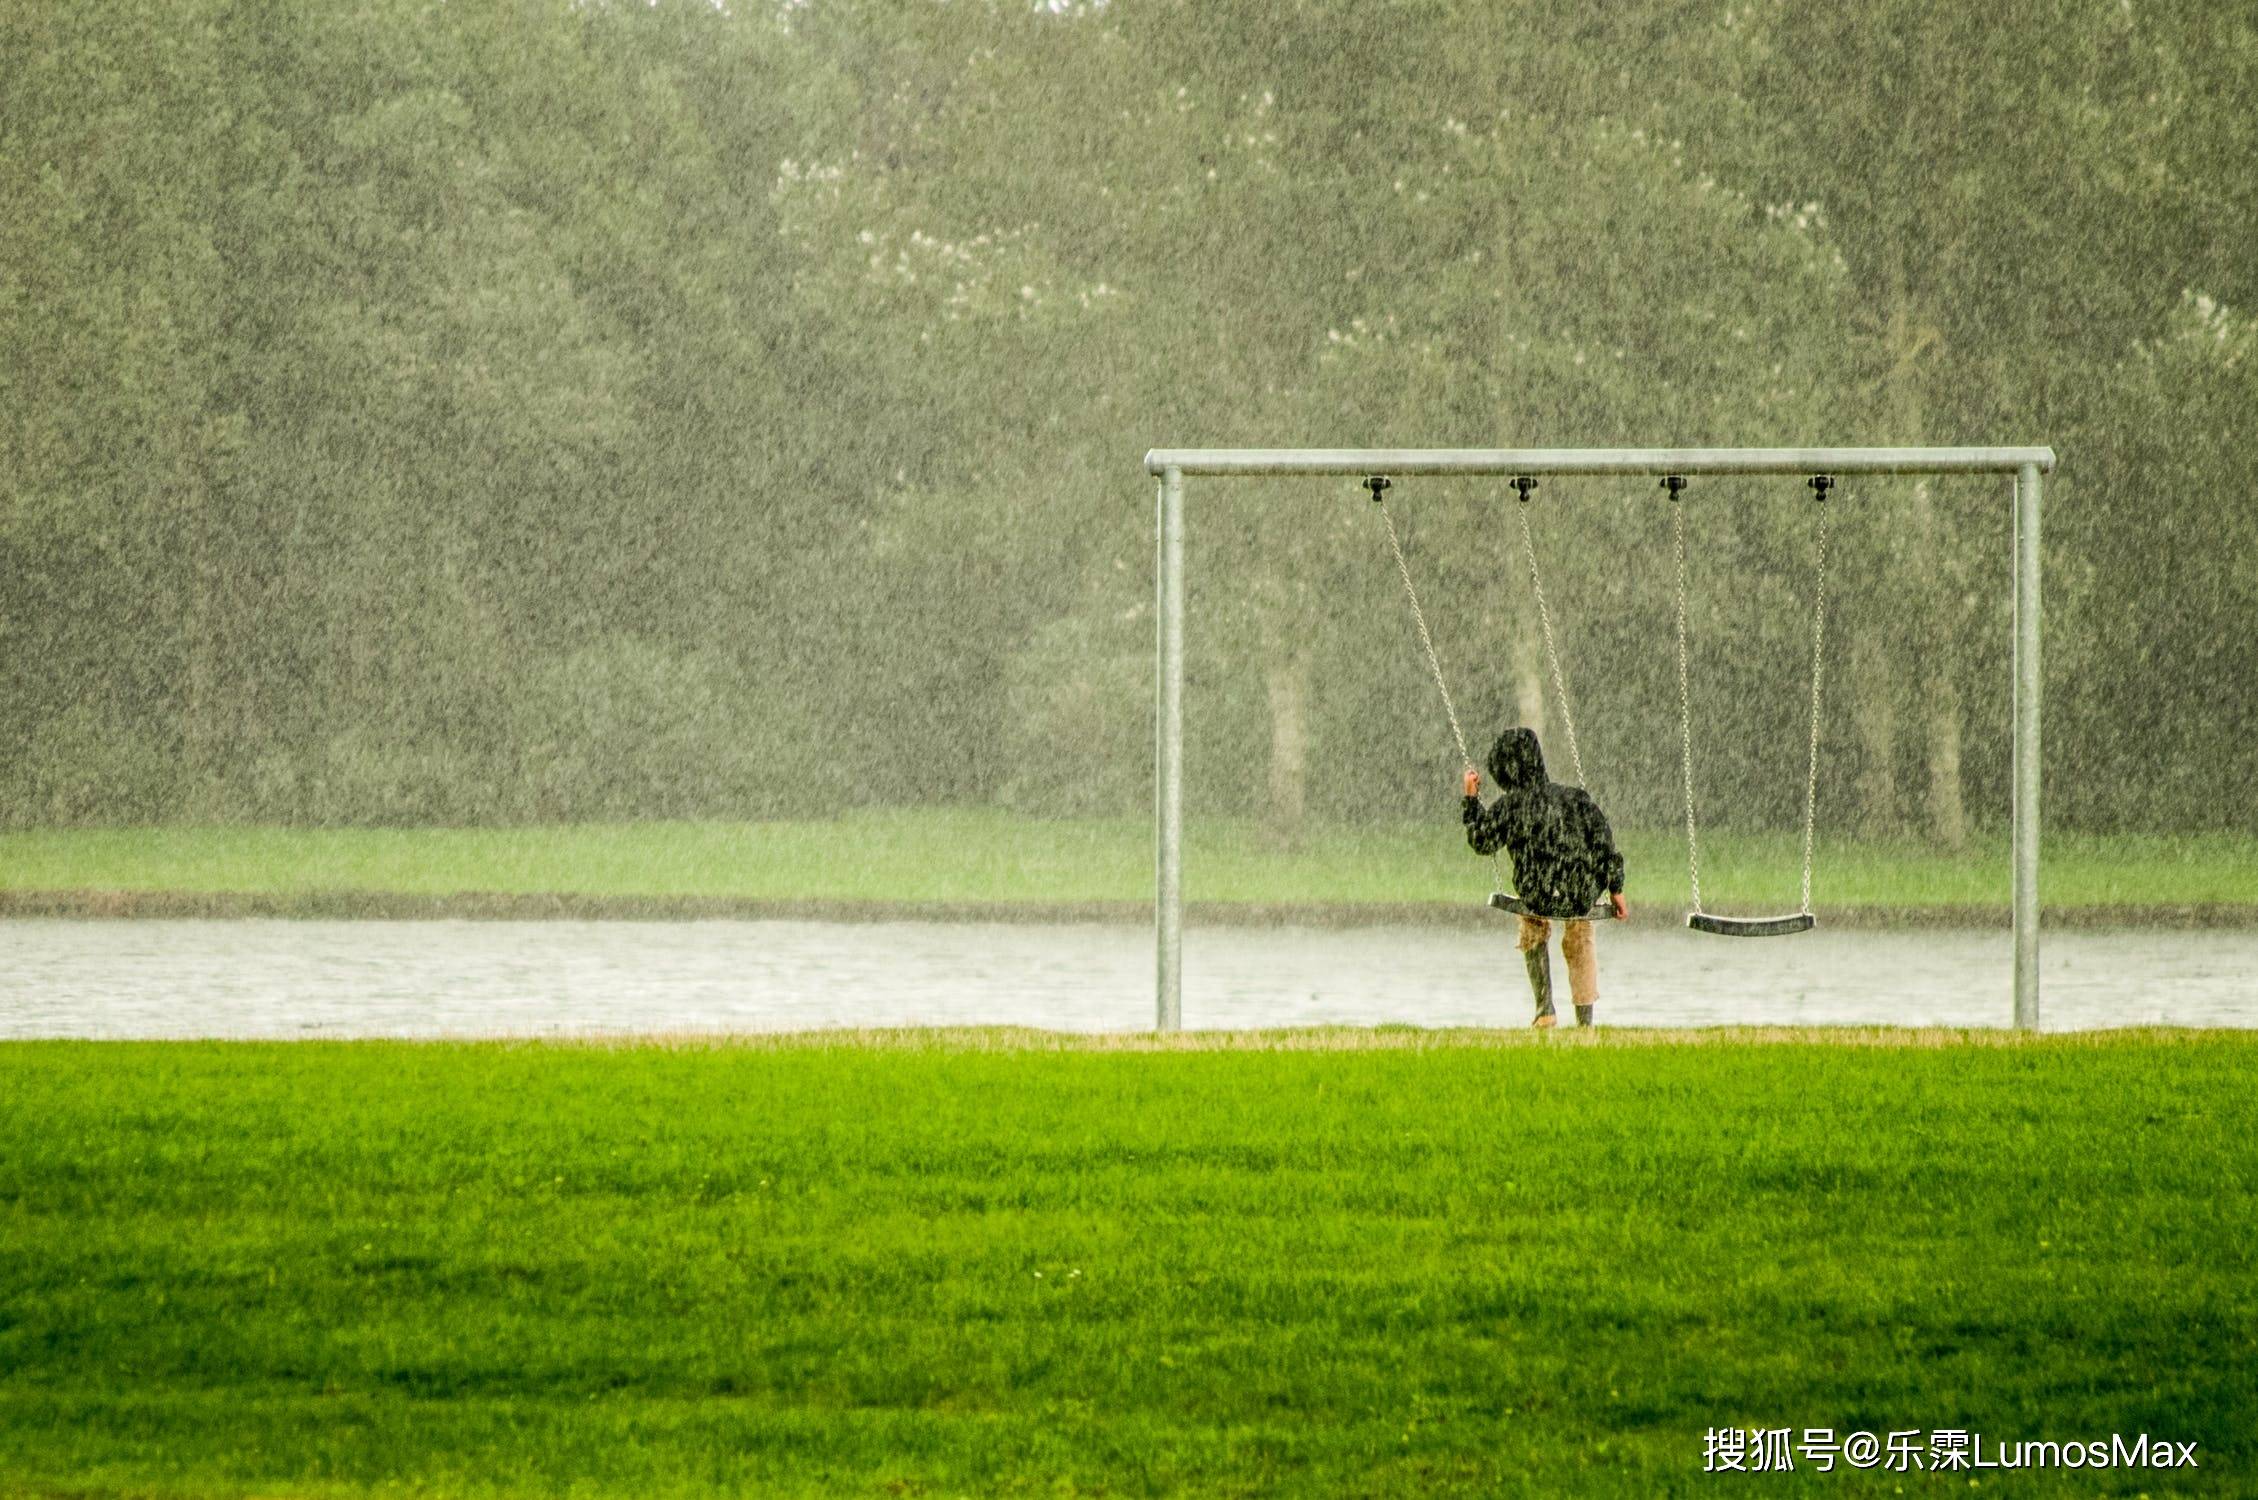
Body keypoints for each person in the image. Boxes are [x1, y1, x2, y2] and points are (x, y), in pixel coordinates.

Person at [1461, 727, 1627, 1028]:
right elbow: (1603, 842)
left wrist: (1471, 801)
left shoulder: (1510, 806)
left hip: (1537, 892)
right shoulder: (1574, 799)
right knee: (1581, 935)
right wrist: (1616, 889)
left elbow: (1481, 842)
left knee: (1532, 924)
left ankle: (1545, 1007)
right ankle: (1585, 1021)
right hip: (1580, 893)